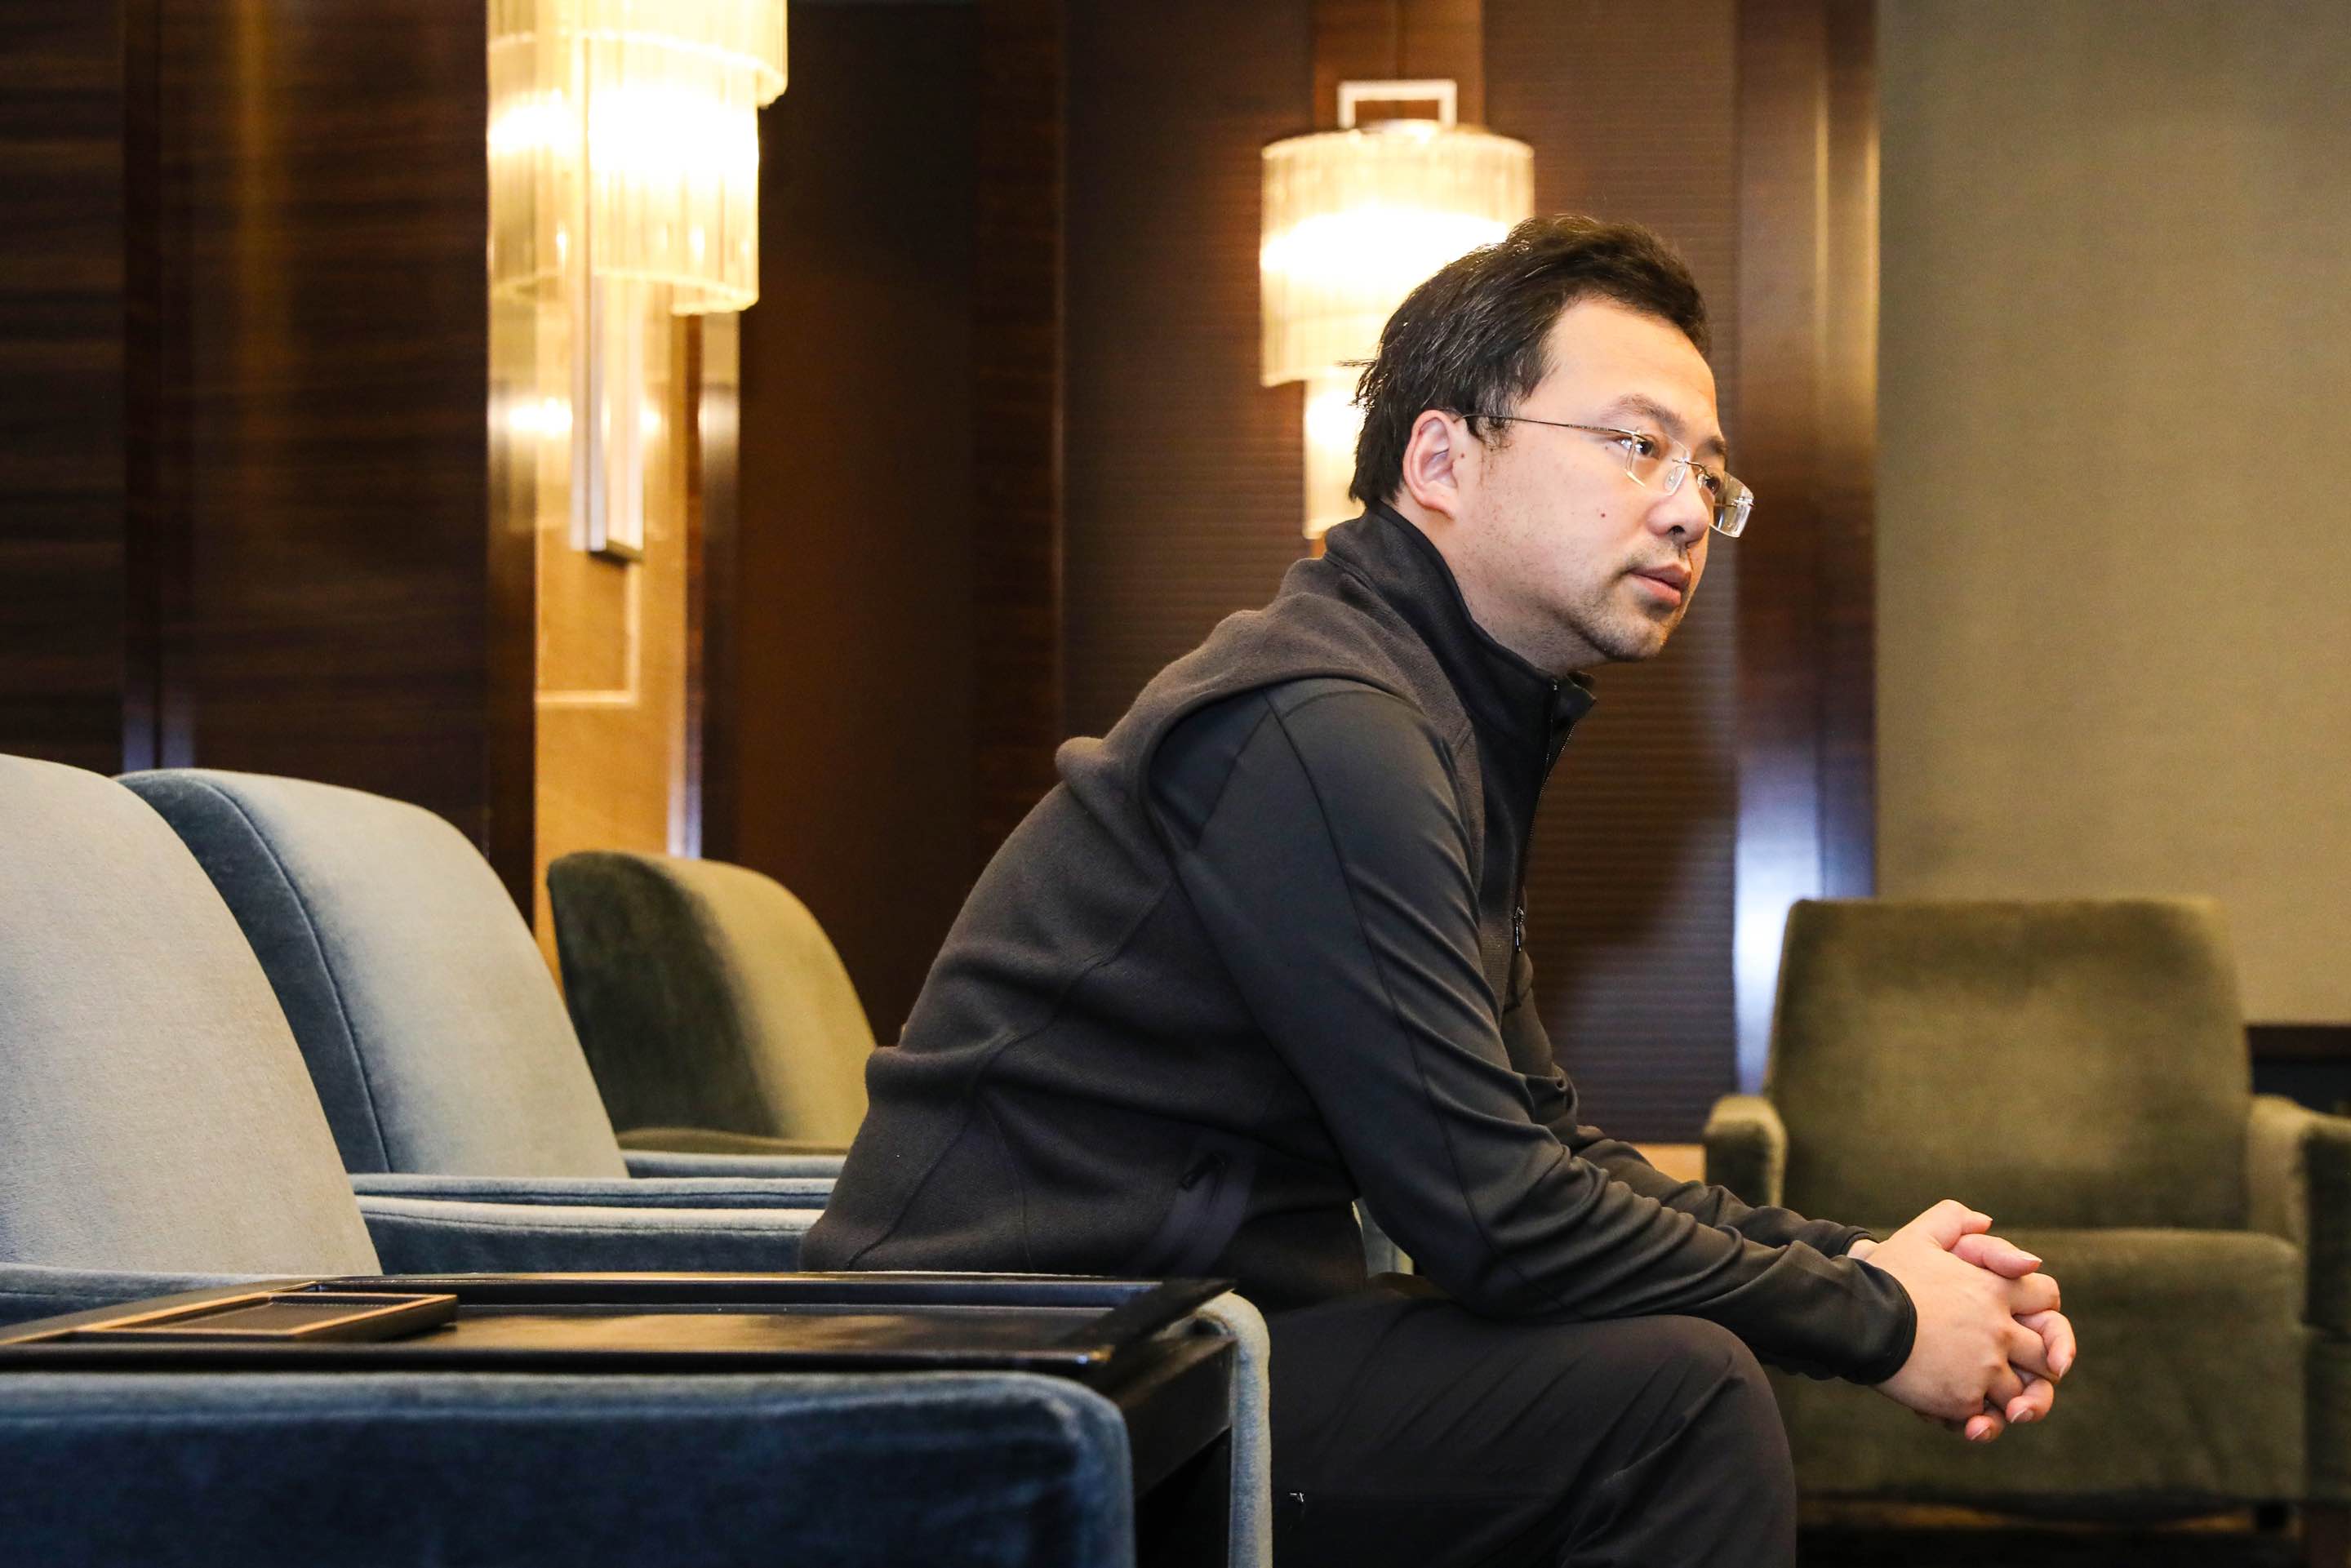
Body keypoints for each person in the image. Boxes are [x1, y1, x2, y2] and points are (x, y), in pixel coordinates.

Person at [802, 215, 2075, 1566]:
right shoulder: (1327, 723)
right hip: (1005, 1391)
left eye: (1708, 471)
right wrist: (1877, 1320)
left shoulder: (1430, 719)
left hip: (1180, 1341)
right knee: (1676, 1405)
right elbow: (1494, 1218)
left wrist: (1856, 1259)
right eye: (1637, 444)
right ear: (1443, 459)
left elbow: (1543, 1147)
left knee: (1661, 1377)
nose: (1689, 507)